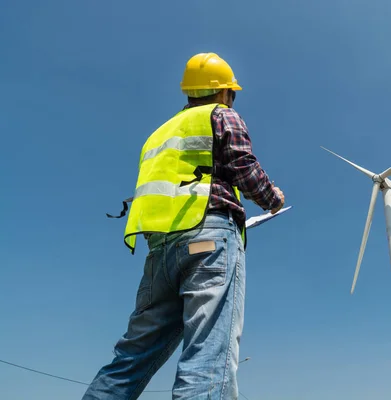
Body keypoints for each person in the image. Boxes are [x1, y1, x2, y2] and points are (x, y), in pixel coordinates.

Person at [83, 52, 285, 400]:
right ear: (224, 92)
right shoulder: (221, 115)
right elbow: (243, 166)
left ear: (189, 92)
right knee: (207, 356)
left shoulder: (159, 134)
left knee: (130, 360)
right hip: (208, 241)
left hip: (159, 253)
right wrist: (273, 198)